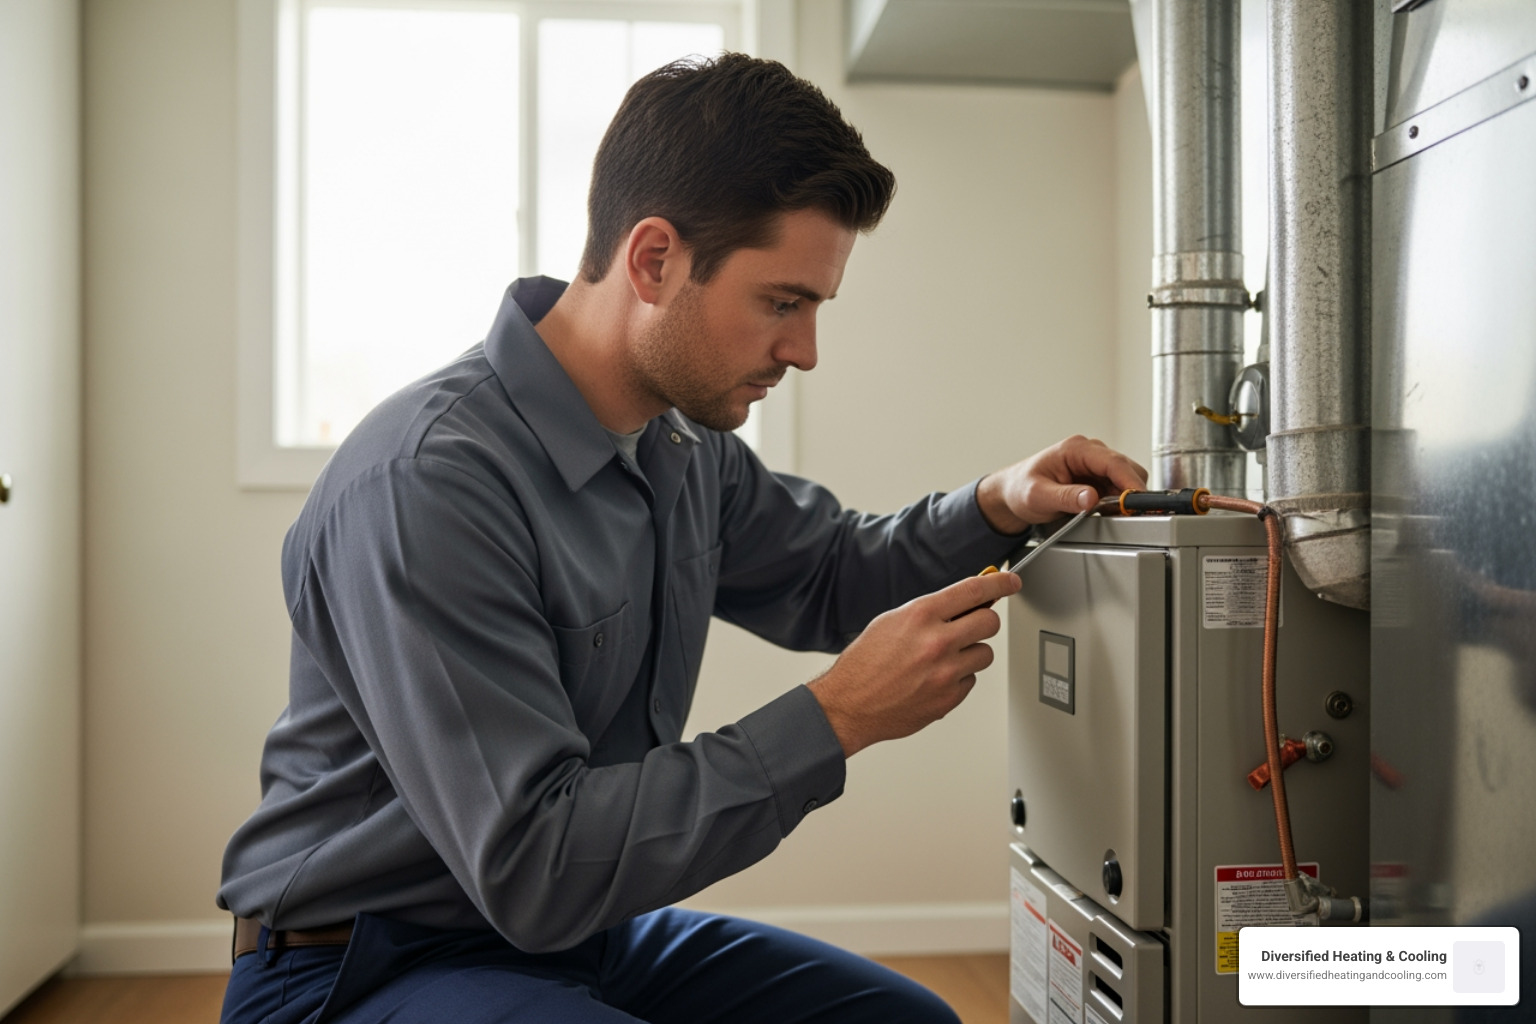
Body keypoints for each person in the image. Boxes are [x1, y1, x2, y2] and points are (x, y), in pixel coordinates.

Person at [216, 53, 1147, 1024]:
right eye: (783, 302)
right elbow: (533, 863)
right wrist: (834, 718)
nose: (805, 351)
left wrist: (998, 503)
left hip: (581, 935)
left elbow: (832, 571)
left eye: (815, 308)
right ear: (654, 259)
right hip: (357, 967)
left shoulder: (680, 445)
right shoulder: (428, 481)